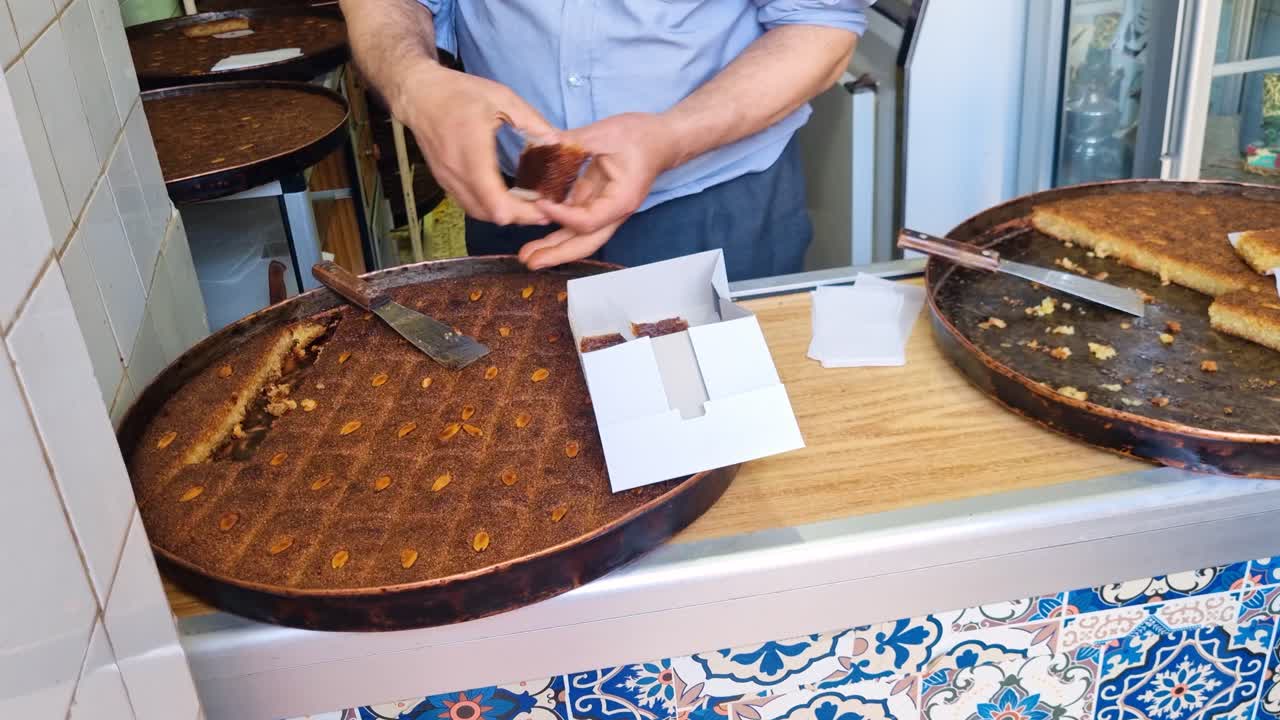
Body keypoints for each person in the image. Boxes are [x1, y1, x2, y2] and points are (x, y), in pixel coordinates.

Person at [340, 0, 871, 281]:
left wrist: (673, 138)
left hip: (712, 208)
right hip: (514, 201)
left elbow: (818, 26)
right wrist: (414, 82)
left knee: (720, 451)